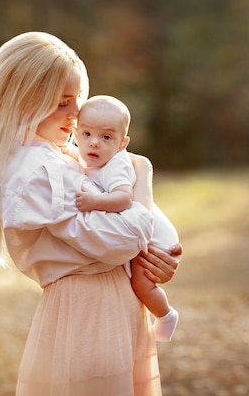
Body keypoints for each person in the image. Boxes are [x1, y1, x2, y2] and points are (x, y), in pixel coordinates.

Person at [0, 31, 182, 396]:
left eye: (77, 99)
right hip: (90, 312)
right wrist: (142, 177)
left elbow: (128, 234)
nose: (76, 114)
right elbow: (124, 239)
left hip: (106, 303)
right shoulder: (39, 170)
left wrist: (159, 254)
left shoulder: (56, 157)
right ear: (23, 101)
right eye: (62, 102)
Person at [72, 95, 179, 343]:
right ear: (76, 133)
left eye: (106, 137)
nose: (94, 143)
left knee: (141, 286)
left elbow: (122, 198)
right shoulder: (90, 161)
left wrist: (94, 202)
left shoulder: (116, 165)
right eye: (86, 134)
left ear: (123, 143)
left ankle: (165, 315)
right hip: (141, 233)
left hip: (158, 241)